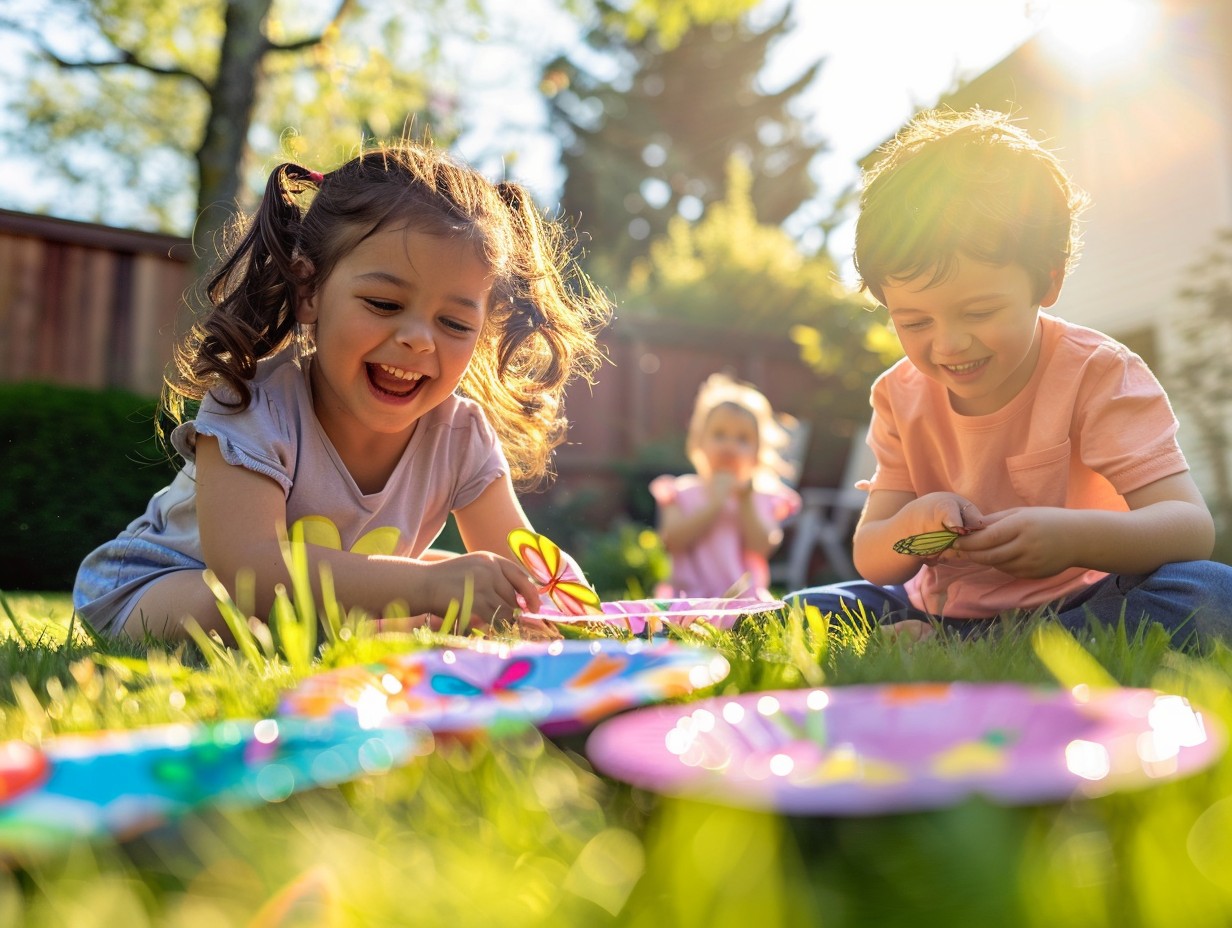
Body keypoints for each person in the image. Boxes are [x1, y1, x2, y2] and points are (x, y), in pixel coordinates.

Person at [74, 138, 610, 639]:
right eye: (383, 304)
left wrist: (570, 612)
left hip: (304, 599)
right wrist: (424, 589)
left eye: (454, 323)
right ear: (310, 291)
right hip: (164, 586)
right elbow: (249, 571)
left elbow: (522, 562)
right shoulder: (254, 404)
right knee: (248, 614)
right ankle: (387, 616)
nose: (419, 340)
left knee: (476, 586)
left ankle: (384, 618)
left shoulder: (461, 435)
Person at [792, 108, 1232, 645]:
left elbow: (1190, 528)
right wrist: (915, 528)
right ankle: (949, 641)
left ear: (1047, 280)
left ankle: (971, 651)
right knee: (805, 608)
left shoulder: (1098, 372)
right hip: (935, 607)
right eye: (915, 321)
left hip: (1081, 604)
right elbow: (875, 557)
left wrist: (1073, 538)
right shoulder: (898, 395)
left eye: (979, 312)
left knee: (1209, 590)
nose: (949, 344)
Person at [650, 373, 801, 600]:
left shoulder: (762, 497)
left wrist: (746, 501)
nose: (730, 445)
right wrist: (715, 503)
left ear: (758, 451)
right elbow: (672, 541)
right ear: (699, 440)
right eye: (719, 434)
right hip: (687, 598)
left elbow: (762, 546)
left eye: (742, 439)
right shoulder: (680, 492)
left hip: (743, 599)